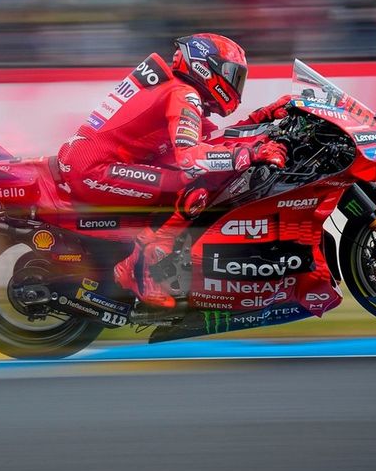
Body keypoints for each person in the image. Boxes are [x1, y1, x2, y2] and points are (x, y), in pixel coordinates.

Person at [56, 33, 291, 308]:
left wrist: (259, 118)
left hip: (94, 162)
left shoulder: (179, 90)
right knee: (194, 184)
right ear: (206, 66)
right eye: (231, 75)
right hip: (94, 169)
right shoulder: (183, 94)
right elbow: (192, 159)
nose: (234, 84)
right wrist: (250, 154)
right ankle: (141, 268)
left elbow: (212, 144)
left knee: (201, 174)